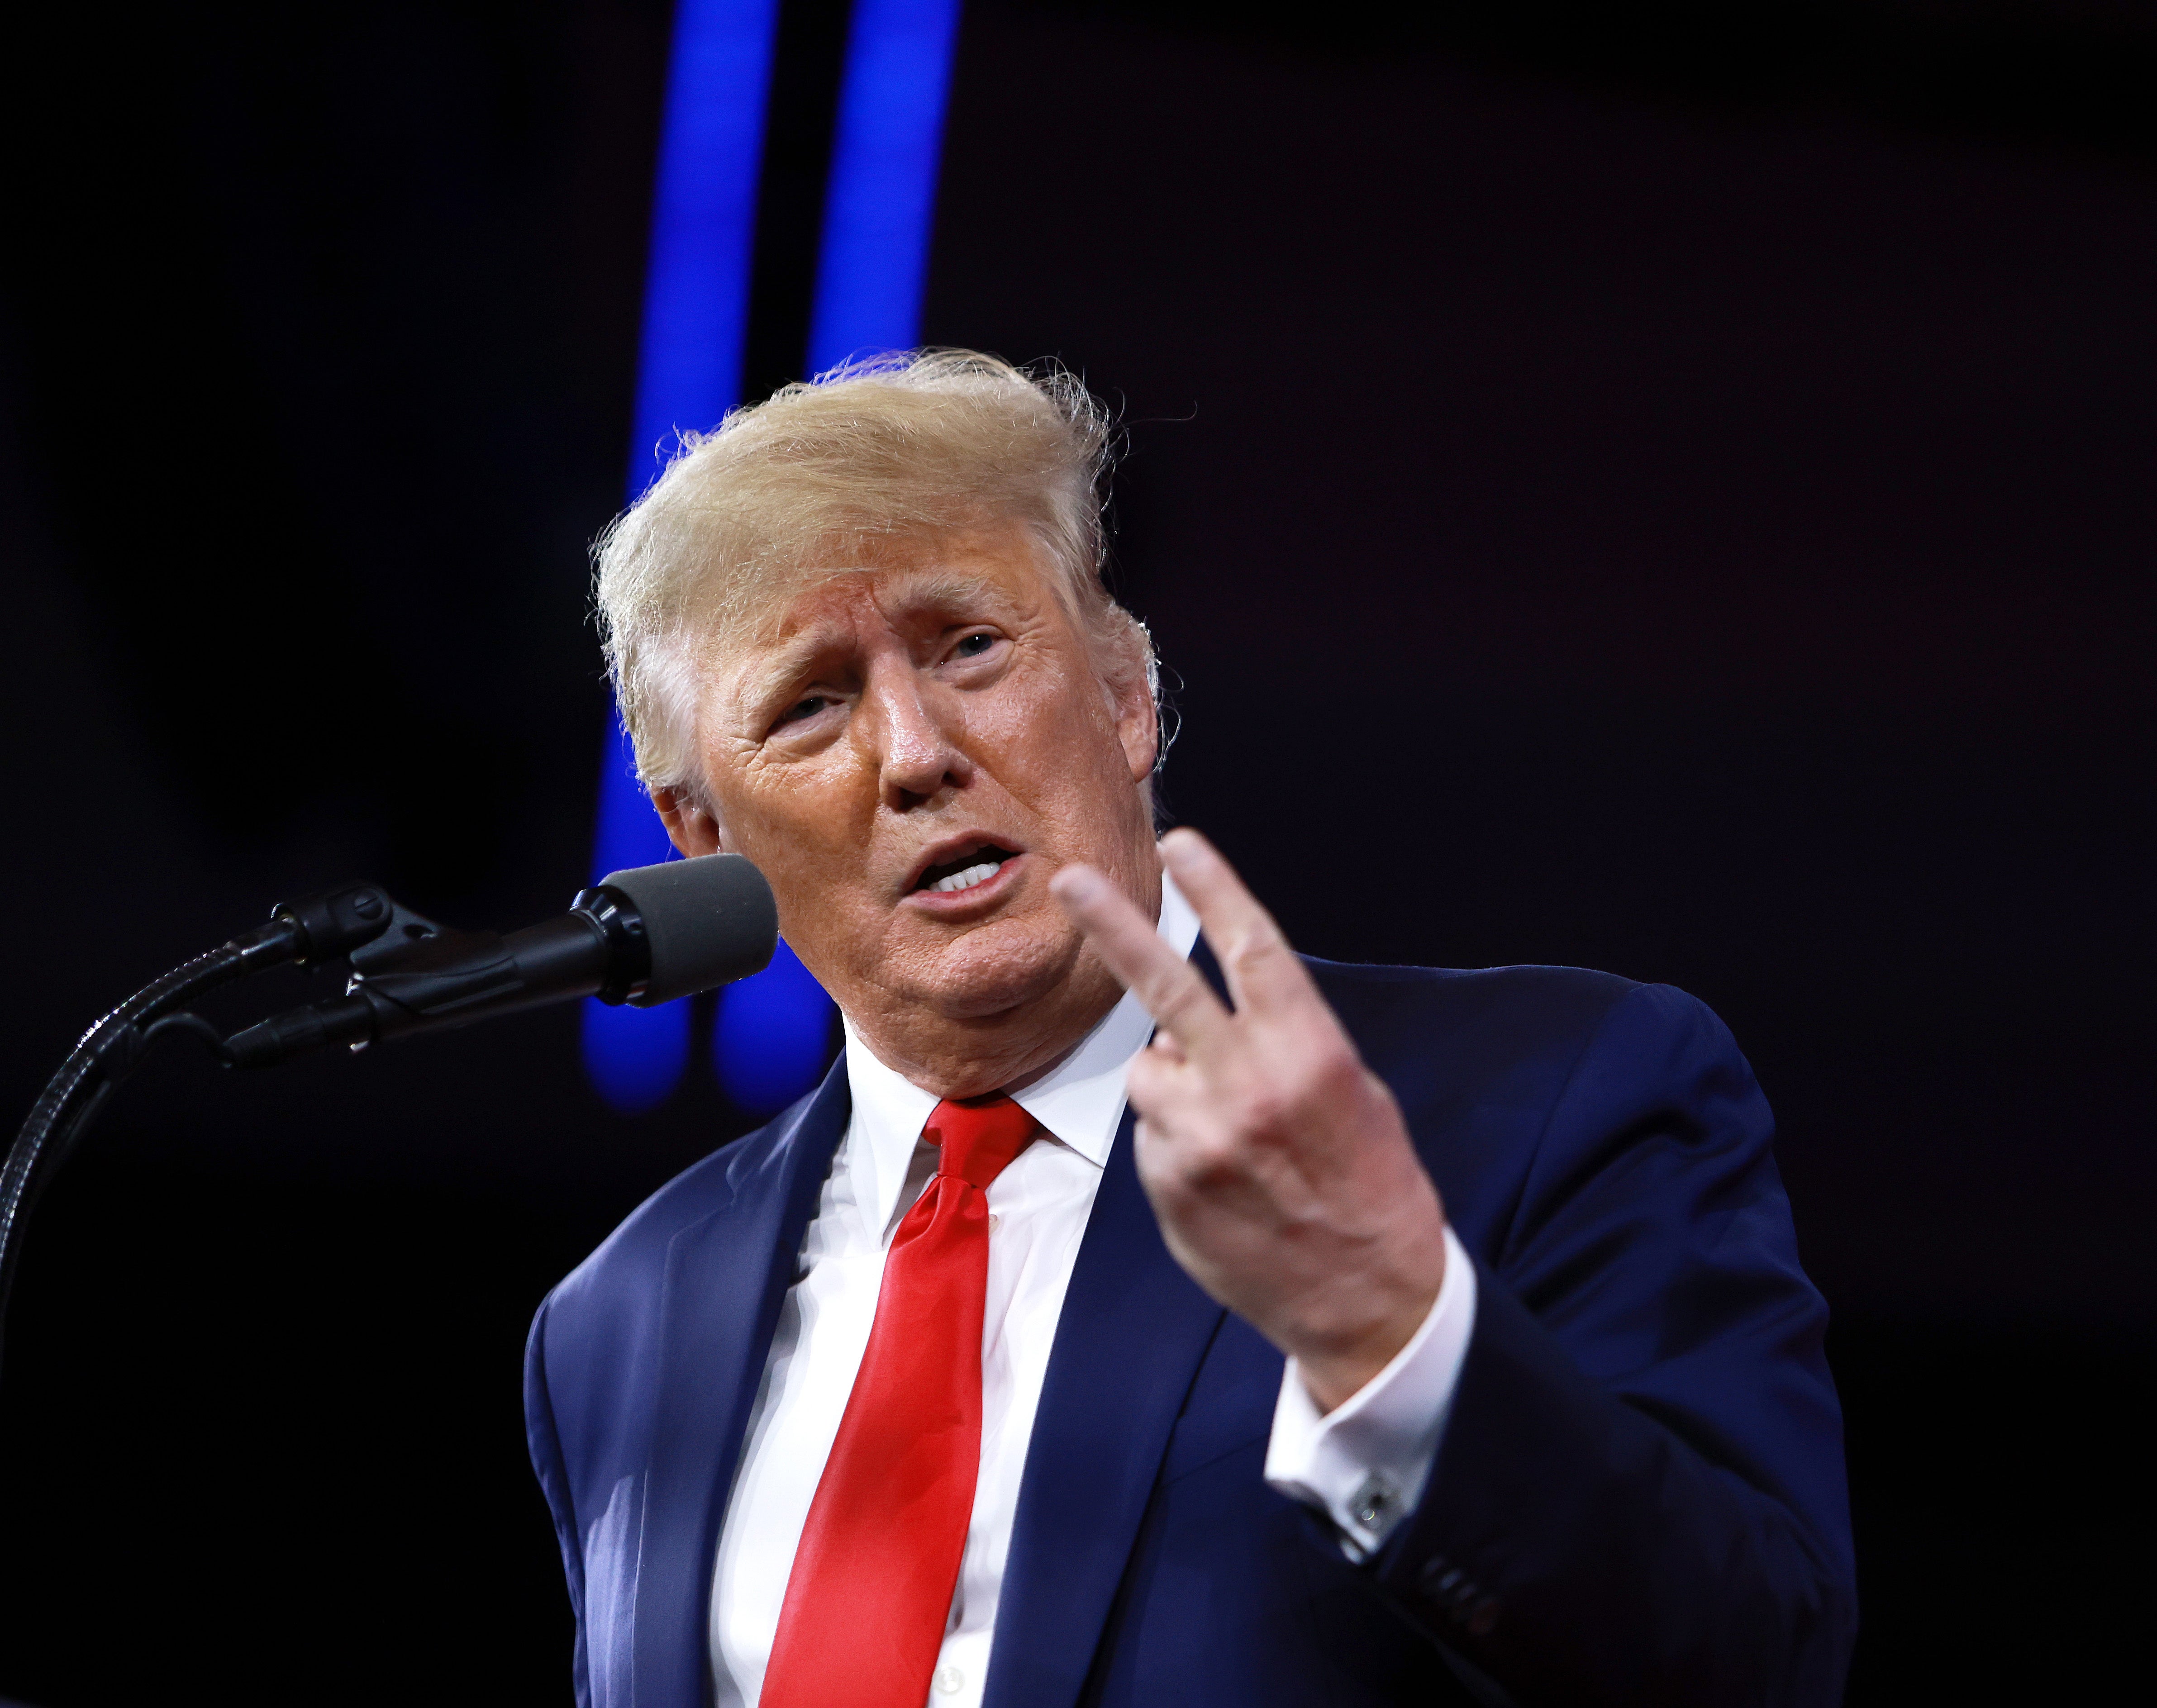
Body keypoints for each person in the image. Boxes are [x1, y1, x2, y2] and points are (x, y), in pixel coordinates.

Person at [525, 350, 1854, 1708]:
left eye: (971, 645)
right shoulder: (623, 1317)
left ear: (1125, 697)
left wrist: (1385, 1329)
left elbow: (1753, 1669)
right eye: (811, 704)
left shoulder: (1549, 1100)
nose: (916, 751)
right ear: (701, 842)